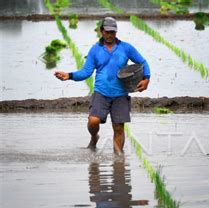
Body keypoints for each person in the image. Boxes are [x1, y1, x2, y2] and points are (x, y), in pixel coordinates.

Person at [54, 17, 150, 155]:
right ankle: (94, 137)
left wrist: (147, 79)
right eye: (107, 32)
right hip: (101, 93)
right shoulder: (95, 50)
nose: (110, 35)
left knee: (118, 128)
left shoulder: (126, 48)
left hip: (120, 94)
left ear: (116, 32)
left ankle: (118, 160)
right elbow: (86, 72)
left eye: (113, 32)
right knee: (93, 121)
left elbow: (143, 62)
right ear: (101, 31)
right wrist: (69, 75)